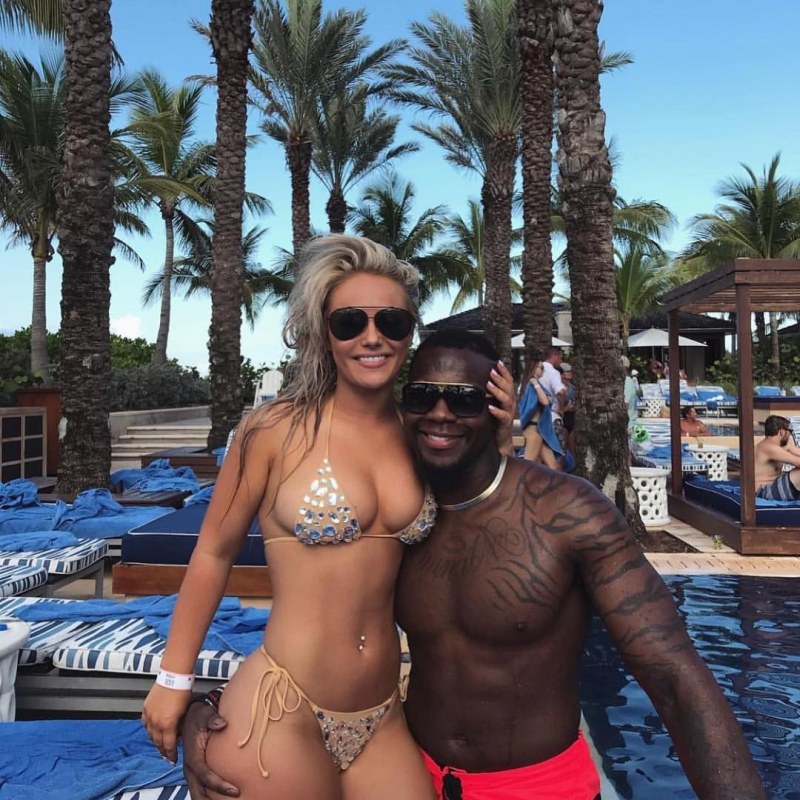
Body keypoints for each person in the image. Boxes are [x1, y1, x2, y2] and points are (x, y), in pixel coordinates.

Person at [185, 330, 767, 800]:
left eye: (463, 399)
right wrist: (214, 710)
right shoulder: (404, 523)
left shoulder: (568, 514)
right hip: (410, 774)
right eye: (422, 397)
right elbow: (324, 631)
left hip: (537, 786)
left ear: (496, 407)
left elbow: (672, 674)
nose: (440, 414)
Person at [140, 234, 516, 799]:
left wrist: (498, 440)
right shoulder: (273, 430)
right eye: (350, 322)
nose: (372, 337)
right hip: (282, 706)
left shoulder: (421, 435)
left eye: (392, 322)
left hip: (382, 714)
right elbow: (214, 552)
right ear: (325, 332)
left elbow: (485, 541)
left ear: (410, 333)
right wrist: (174, 678)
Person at [518, 359, 562, 470]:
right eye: (541, 367)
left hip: (541, 431)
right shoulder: (532, 385)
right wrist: (536, 384)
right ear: (534, 368)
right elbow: (544, 402)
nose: (543, 370)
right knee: (528, 466)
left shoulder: (537, 385)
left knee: (553, 466)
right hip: (533, 430)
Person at [754, 415, 800, 499]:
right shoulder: (769, 448)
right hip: (764, 492)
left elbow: (794, 449)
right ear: (782, 431)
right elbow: (798, 461)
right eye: (790, 431)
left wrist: (790, 448)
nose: (790, 435)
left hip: (773, 486)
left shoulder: (776, 446)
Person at [560, 362, 576, 455]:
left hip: (572, 420)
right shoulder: (556, 387)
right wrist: (565, 409)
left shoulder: (573, 388)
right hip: (561, 420)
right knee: (563, 447)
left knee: (572, 447)